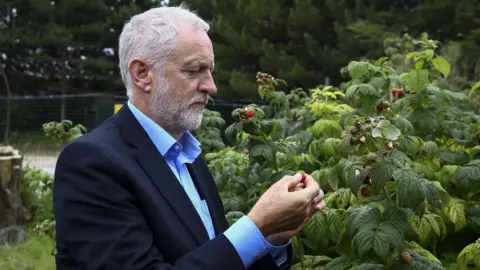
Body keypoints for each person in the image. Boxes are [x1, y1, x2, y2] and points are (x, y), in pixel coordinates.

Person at [52, 4, 326, 270]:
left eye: (210, 71)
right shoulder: (91, 164)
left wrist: (272, 236)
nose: (211, 86)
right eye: (194, 70)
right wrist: (256, 227)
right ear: (143, 74)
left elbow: (217, 258)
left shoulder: (185, 153)